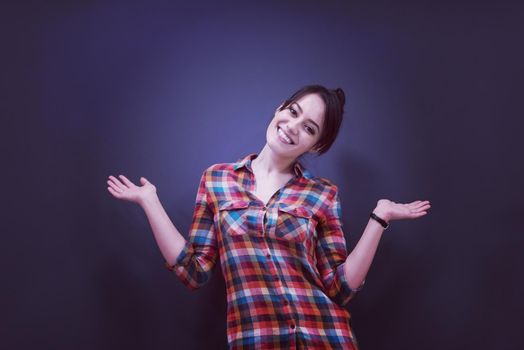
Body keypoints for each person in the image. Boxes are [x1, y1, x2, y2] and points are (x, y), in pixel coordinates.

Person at [107, 84, 431, 349]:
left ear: (316, 146)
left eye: (309, 128)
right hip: (257, 340)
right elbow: (194, 272)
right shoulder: (217, 180)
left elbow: (339, 288)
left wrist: (379, 218)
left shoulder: (322, 193)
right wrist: (150, 202)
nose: (292, 127)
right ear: (279, 108)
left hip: (326, 338)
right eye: (293, 112)